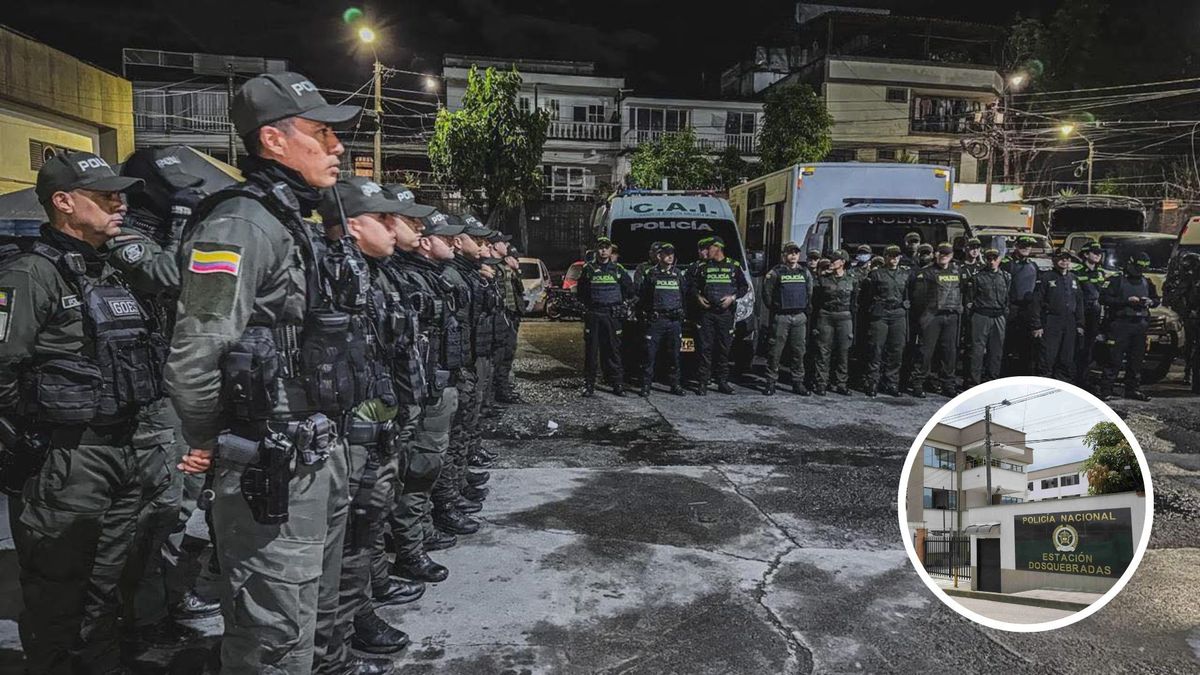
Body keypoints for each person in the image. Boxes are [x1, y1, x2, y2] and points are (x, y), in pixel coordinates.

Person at [165, 72, 391, 674]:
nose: (337, 146)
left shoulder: (297, 220)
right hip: (271, 458)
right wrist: (218, 441)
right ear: (273, 139)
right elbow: (197, 352)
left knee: (313, 606)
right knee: (273, 630)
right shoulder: (241, 223)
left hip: (319, 446)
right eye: (321, 133)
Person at [0, 151, 168, 673]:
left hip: (125, 446)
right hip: (65, 457)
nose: (121, 204)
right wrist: (29, 438)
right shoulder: (29, 274)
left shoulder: (118, 271)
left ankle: (100, 662)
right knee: (57, 586)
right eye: (106, 196)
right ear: (64, 202)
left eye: (121, 194)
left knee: (108, 577)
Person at [106, 148, 223, 647]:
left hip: (173, 387)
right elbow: (168, 276)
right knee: (163, 506)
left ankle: (171, 595)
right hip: (149, 400)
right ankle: (144, 612)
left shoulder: (164, 233)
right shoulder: (127, 236)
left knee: (187, 501)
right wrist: (179, 220)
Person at [315, 178, 422, 671]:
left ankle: (356, 620)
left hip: (378, 426)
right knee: (345, 545)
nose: (395, 226)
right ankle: (334, 648)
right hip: (348, 435)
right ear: (353, 225)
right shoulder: (333, 276)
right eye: (383, 218)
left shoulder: (377, 274)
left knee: (363, 535)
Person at [385, 206, 469, 588]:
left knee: (425, 467)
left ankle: (419, 532)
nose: (452, 241)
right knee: (412, 472)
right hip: (409, 393)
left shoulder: (432, 277)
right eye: (416, 226)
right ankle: (409, 549)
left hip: (431, 385)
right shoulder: (400, 277)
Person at [435, 217, 489, 537]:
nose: (481, 246)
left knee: (456, 438)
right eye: (476, 241)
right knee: (445, 443)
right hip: (448, 371)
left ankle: (453, 492)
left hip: (462, 363)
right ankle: (446, 501)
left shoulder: (463, 274)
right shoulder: (449, 275)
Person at [1098, 252, 1159, 402]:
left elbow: (1156, 299)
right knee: (1114, 359)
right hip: (1120, 324)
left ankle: (1132, 389)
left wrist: (1150, 302)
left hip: (1139, 325)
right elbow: (1104, 298)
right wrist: (1126, 301)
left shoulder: (1146, 281)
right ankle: (1106, 390)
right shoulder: (1116, 280)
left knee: (1136, 360)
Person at [576, 236, 634, 396]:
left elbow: (630, 290)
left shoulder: (618, 269)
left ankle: (617, 385)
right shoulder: (588, 269)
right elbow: (581, 292)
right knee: (591, 352)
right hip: (594, 314)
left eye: (606, 247)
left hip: (611, 315)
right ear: (596, 249)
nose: (603, 250)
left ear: (610, 250)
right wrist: (587, 308)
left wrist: (623, 306)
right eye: (600, 247)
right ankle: (589, 386)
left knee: (613, 352)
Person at [691, 236, 749, 395]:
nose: (704, 252)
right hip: (707, 314)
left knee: (724, 349)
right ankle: (702, 383)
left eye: (707, 248)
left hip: (725, 315)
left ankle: (722, 382)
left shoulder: (734, 266)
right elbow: (693, 286)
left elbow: (744, 287)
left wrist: (732, 298)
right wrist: (698, 297)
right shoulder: (703, 267)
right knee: (705, 348)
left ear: (717, 248)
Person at [909, 243, 963, 397]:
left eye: (947, 253)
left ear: (951, 255)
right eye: (941, 253)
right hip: (931, 316)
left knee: (949, 352)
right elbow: (918, 298)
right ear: (935, 254)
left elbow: (963, 291)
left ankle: (948, 384)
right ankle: (918, 383)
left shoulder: (958, 271)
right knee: (925, 351)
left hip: (951, 316)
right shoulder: (926, 272)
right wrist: (923, 316)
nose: (943, 256)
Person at [762, 241, 813, 396]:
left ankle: (798, 383)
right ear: (784, 255)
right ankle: (770, 382)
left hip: (799, 317)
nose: (793, 256)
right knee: (775, 351)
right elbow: (766, 294)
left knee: (799, 351)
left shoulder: (805, 272)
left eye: (796, 253)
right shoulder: (776, 272)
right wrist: (776, 308)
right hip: (781, 317)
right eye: (790, 253)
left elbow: (809, 293)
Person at [637, 242, 688, 396]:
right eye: (666, 253)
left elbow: (684, 296)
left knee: (674, 355)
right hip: (656, 320)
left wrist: (682, 315)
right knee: (649, 355)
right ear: (659, 256)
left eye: (672, 253)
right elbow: (643, 297)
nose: (670, 256)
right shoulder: (651, 274)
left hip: (674, 321)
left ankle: (675, 385)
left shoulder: (678, 274)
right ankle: (646, 386)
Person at [1031, 248, 1085, 381]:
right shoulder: (1045, 278)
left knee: (1066, 359)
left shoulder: (1073, 279)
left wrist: (1080, 323)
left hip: (1069, 323)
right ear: (1054, 259)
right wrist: (1037, 325)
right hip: (1051, 321)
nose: (1065, 261)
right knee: (1047, 358)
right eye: (1061, 258)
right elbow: (1036, 303)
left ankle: (1062, 388)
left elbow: (1079, 303)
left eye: (1067, 258)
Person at [863, 245, 909, 397]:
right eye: (891, 255)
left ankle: (891, 383)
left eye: (897, 255)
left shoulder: (905, 274)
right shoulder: (876, 274)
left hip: (898, 313)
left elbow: (908, 295)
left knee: (896, 350)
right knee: (876, 349)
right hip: (880, 313)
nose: (894, 258)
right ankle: (872, 382)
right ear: (885, 256)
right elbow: (867, 296)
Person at [812, 249, 858, 396]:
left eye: (835, 260)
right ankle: (821, 383)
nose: (831, 262)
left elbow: (855, 302)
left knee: (844, 351)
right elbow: (816, 301)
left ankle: (841, 383)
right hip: (826, 315)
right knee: (823, 351)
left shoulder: (852, 279)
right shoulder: (822, 279)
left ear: (843, 262)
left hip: (844, 316)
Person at [964, 248, 1010, 385]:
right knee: (977, 351)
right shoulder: (977, 277)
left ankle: (992, 381)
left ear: (999, 259)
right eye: (989, 258)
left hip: (999, 316)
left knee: (996, 351)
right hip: (981, 315)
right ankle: (973, 382)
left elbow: (1008, 297)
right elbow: (970, 299)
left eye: (994, 258)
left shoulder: (1006, 276)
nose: (992, 262)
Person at [489, 230, 524, 404]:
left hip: (510, 315)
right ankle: (497, 393)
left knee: (507, 354)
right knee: (499, 356)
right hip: (500, 317)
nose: (507, 246)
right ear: (496, 245)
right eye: (504, 243)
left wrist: (516, 271)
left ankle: (501, 390)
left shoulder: (506, 267)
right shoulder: (493, 267)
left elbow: (518, 292)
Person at [1002, 235, 1040, 375]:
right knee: (1008, 345)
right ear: (1016, 246)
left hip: (1028, 311)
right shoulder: (1007, 263)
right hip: (1011, 309)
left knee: (1026, 346)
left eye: (1029, 246)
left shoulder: (1033, 265)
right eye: (1023, 245)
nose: (1026, 248)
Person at [1073, 240, 1109, 389]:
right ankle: (1075, 379)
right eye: (1095, 252)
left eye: (1100, 253)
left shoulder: (1101, 273)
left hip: (1095, 315)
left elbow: (1103, 293)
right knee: (1078, 349)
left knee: (1089, 349)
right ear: (1086, 254)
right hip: (1081, 315)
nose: (1098, 255)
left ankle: (1085, 379)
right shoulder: (1077, 272)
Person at [1164, 251, 1200, 391]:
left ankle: (1191, 375)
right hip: (1187, 318)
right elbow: (1174, 296)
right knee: (1189, 346)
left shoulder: (1193, 280)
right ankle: (1189, 374)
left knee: (1193, 348)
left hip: (1192, 317)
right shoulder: (1183, 279)